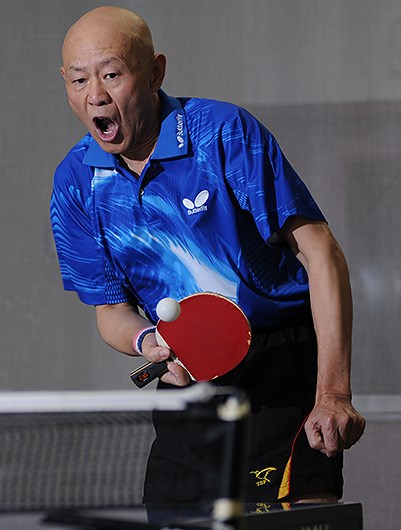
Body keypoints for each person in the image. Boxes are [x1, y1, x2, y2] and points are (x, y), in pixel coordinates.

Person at [50, 5, 365, 505]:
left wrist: (333, 394)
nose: (96, 96)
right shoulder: (75, 183)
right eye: (79, 80)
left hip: (280, 366)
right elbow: (110, 312)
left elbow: (322, 255)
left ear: (155, 72)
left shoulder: (223, 134)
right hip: (188, 373)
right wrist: (148, 341)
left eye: (112, 74)